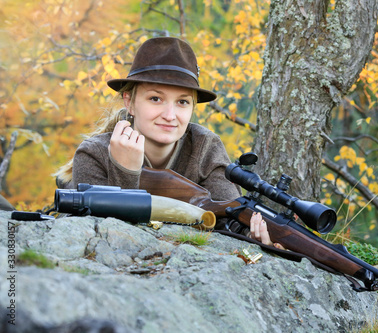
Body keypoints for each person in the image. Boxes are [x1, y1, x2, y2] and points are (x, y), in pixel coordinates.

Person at [55, 37, 277, 245]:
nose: (170, 115)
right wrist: (126, 171)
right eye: (155, 99)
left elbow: (232, 221)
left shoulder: (205, 147)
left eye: (182, 102)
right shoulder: (94, 154)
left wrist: (254, 234)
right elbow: (105, 236)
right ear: (129, 102)